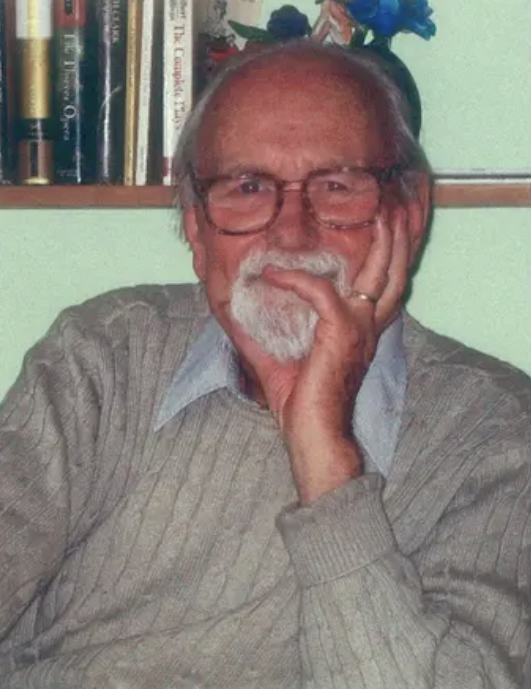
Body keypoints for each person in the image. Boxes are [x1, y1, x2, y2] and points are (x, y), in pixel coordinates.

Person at [0, 40, 530, 689]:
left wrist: (325, 461)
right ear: (196, 230)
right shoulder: (105, 355)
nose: (291, 233)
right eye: (248, 187)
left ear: (410, 211)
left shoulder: (499, 434)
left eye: (336, 186)